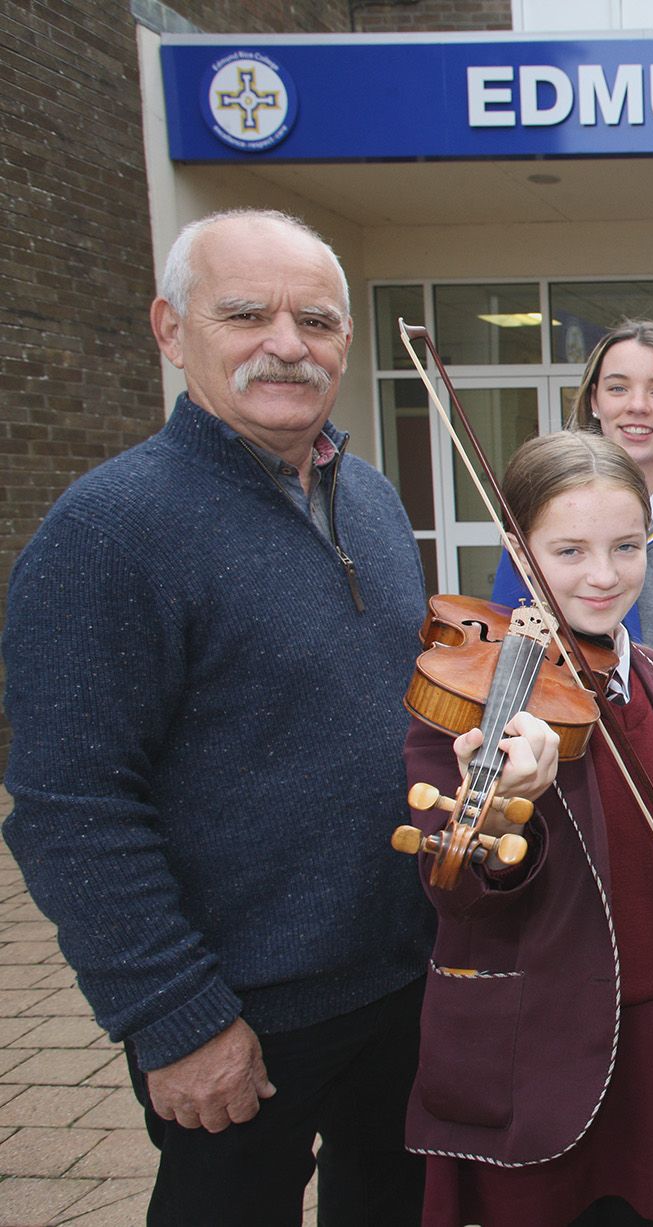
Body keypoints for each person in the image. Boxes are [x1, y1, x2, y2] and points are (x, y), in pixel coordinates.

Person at [2, 209, 434, 1225]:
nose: (289, 343)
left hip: (404, 977)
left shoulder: (367, 497)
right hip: (244, 1011)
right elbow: (70, 807)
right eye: (248, 314)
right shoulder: (108, 532)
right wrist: (176, 1019)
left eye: (318, 321)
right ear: (169, 327)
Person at [405, 430, 653, 1227]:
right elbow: (451, 888)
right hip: (537, 1038)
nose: (604, 576)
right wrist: (502, 810)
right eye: (569, 550)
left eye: (626, 546)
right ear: (518, 547)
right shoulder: (472, 689)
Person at [491, 321, 653, 739]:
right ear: (594, 400)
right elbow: (510, 665)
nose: (638, 406)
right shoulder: (541, 530)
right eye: (618, 388)